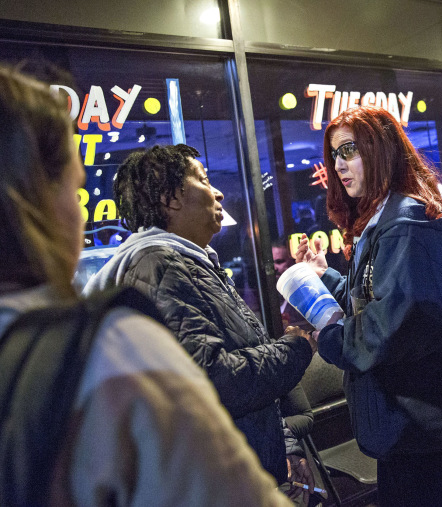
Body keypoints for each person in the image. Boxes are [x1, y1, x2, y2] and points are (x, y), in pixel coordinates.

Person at [0, 65, 290, 505]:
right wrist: (297, 347)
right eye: (75, 189)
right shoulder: (110, 346)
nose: (217, 195)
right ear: (33, 199)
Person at [83, 143, 317, 499]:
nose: (218, 191)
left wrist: (285, 445)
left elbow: (246, 371)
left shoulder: (191, 264)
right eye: (204, 180)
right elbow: (216, 380)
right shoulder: (160, 268)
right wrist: (296, 346)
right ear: (170, 199)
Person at [296, 106, 442, 506]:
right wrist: (327, 279)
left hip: (427, 427)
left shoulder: (406, 224)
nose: (337, 165)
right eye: (334, 154)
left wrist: (330, 337)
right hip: (412, 426)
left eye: (348, 149)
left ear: (380, 149)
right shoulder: (388, 219)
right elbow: (381, 299)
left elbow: (395, 330)